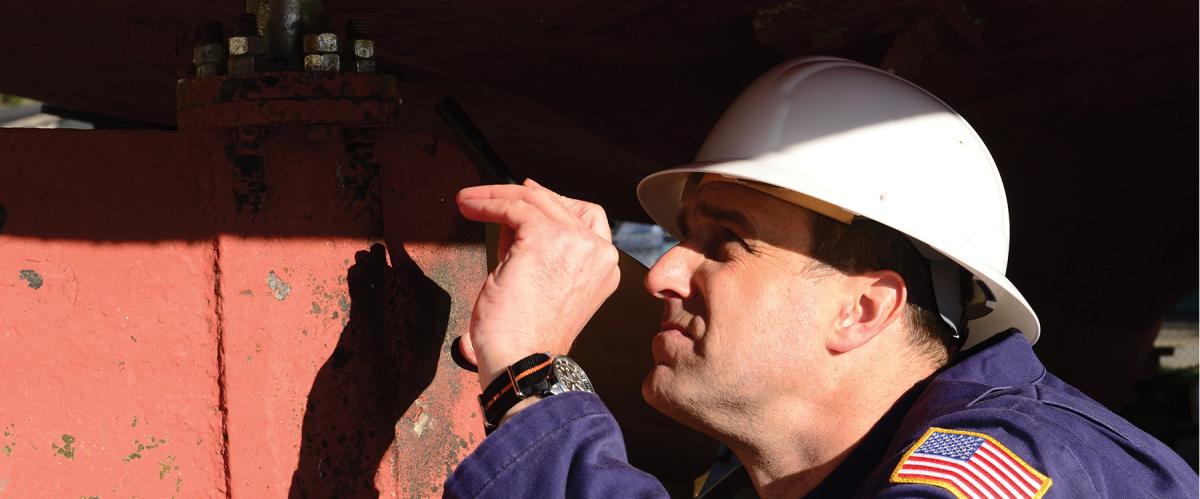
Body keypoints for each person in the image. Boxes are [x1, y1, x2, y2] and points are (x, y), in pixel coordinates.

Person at [442, 57, 1198, 498]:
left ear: (863, 309)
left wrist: (533, 380)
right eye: (681, 237)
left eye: (725, 242)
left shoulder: (1006, 470)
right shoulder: (756, 482)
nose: (663, 272)